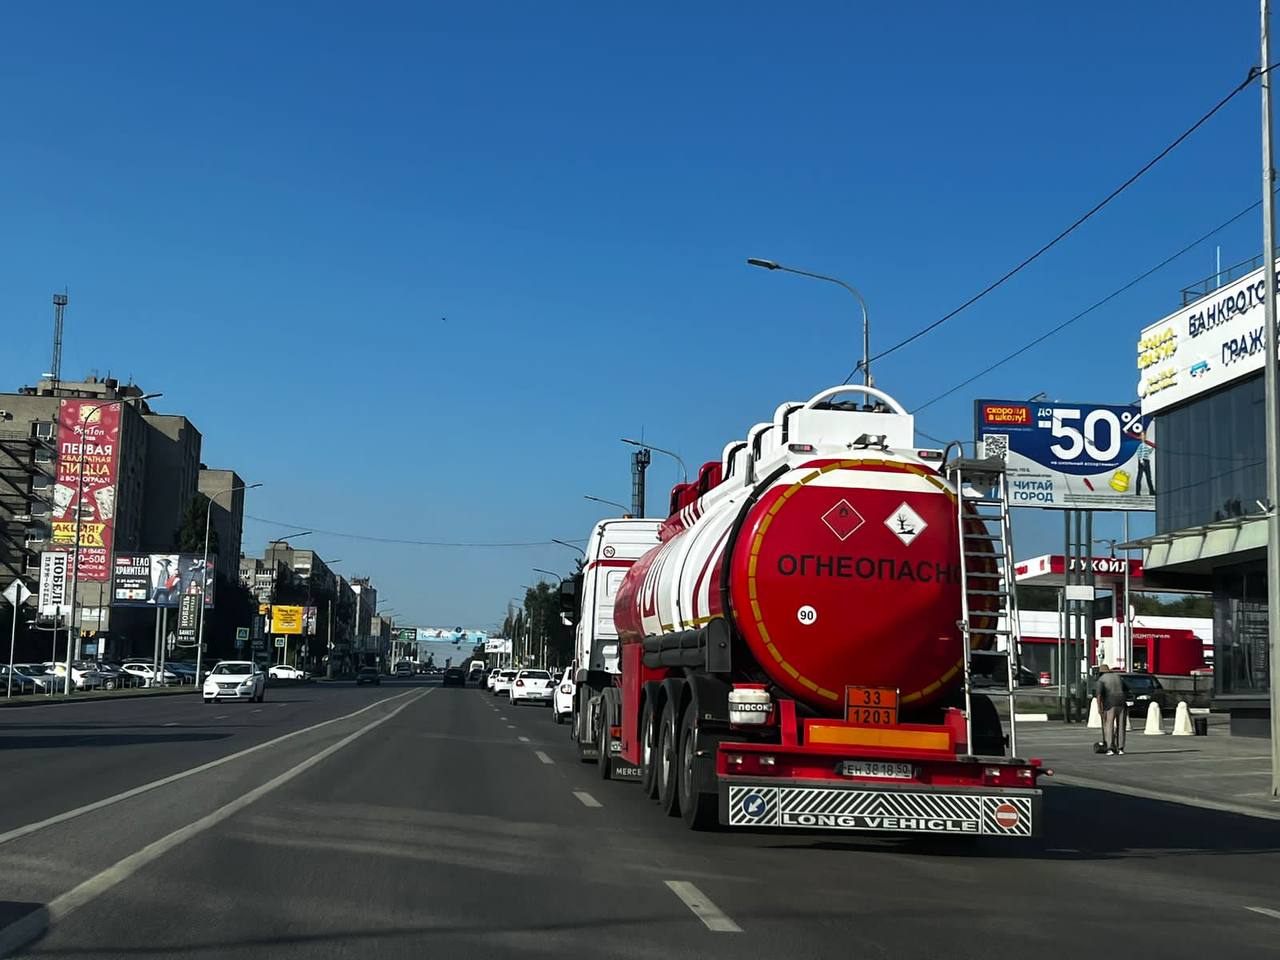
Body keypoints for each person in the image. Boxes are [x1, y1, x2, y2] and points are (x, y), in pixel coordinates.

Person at [1095, 664, 1128, 755]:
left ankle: (1110, 748)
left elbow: (1099, 696)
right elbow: (1126, 689)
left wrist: (1099, 708)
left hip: (1110, 704)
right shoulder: (1118, 677)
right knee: (1121, 726)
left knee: (1108, 725)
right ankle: (1120, 748)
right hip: (1122, 703)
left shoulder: (1101, 680)